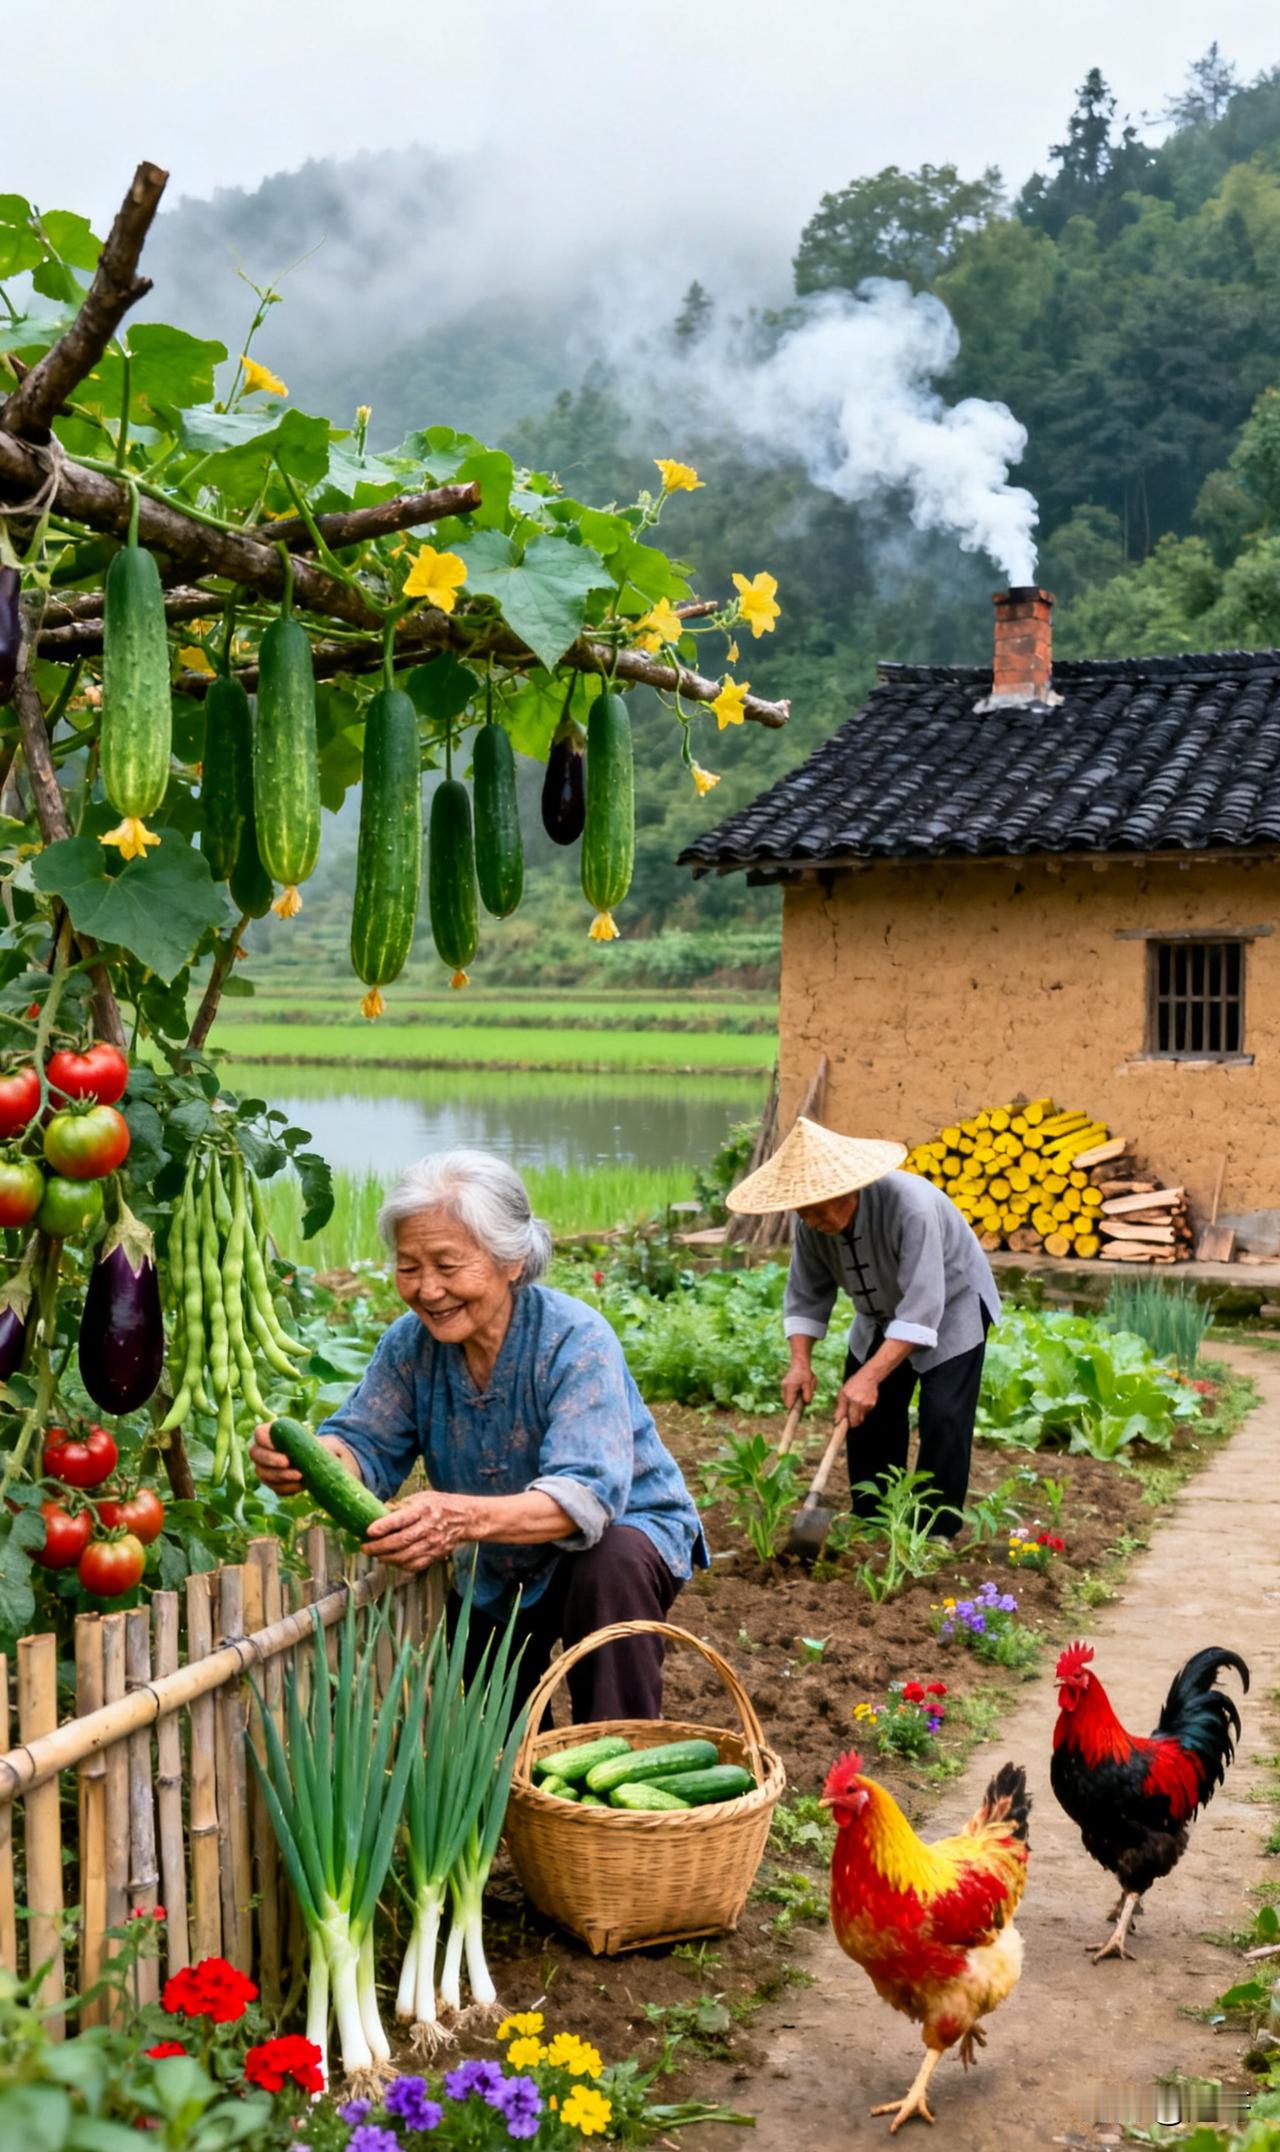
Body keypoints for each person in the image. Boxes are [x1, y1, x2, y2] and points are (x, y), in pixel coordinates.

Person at [249, 1149, 706, 1722]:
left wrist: (459, 1518)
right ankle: (519, 1772)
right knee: (496, 1716)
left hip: (615, 1538)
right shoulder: (410, 1347)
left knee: (607, 1566)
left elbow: (587, 1496)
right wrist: (309, 1459)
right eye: (409, 1267)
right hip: (498, 1557)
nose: (427, 1289)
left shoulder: (574, 1339)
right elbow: (362, 1445)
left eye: (447, 1265)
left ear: (512, 1260)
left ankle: (621, 1752)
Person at [726, 1116, 1000, 1537]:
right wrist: (800, 1363)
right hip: (879, 1316)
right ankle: (872, 1521)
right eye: (802, 1207)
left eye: (818, 1205)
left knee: (944, 1415)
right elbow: (806, 1293)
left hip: (952, 1304)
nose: (810, 1216)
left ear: (848, 1188)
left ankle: (933, 1531)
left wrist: (869, 1376)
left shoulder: (912, 1207)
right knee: (863, 1412)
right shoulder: (810, 1223)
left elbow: (923, 1307)